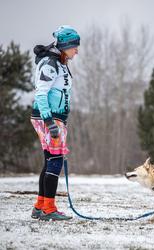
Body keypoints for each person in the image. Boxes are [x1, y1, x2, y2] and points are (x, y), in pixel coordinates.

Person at [30, 25, 80, 221]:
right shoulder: (51, 64)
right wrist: (50, 122)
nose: (77, 50)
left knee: (50, 160)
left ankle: (40, 205)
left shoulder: (59, 62)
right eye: (74, 46)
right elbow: (41, 93)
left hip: (53, 117)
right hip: (49, 118)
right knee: (56, 161)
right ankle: (49, 210)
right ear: (66, 45)